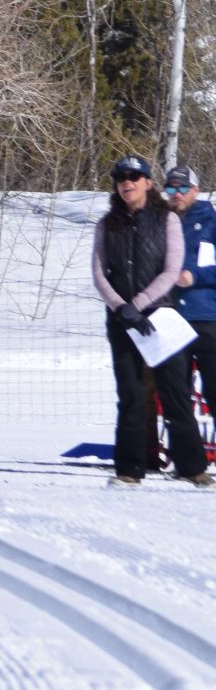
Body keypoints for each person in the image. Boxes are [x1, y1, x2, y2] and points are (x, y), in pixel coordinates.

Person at [91, 156, 213, 487]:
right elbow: (99, 273)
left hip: (160, 315)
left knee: (175, 393)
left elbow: (171, 270)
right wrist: (121, 308)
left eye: (135, 177)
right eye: (121, 178)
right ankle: (129, 470)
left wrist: (140, 304)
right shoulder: (107, 223)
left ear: (147, 182)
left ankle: (193, 467)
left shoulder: (166, 220)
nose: (127, 183)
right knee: (131, 394)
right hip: (122, 320)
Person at [165, 166, 216, 440]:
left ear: (195, 190)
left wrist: (194, 277)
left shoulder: (211, 221)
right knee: (176, 393)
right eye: (171, 188)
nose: (177, 194)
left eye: (183, 188)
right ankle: (186, 454)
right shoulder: (160, 222)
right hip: (172, 318)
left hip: (208, 317)